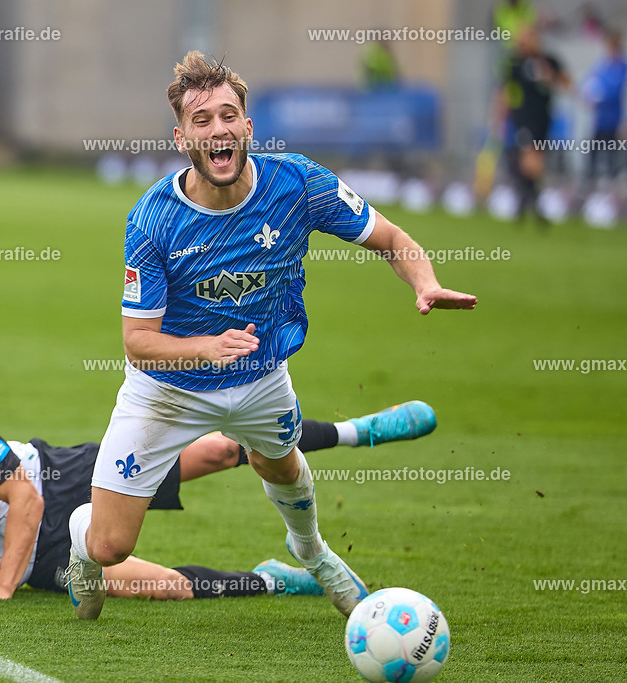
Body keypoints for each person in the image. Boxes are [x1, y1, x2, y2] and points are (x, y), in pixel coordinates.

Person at [64, 51, 476, 621]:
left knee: (279, 465)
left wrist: (425, 282)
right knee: (112, 547)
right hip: (166, 388)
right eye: (202, 121)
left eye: (228, 116)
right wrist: (202, 349)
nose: (218, 130)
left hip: (261, 377)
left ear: (248, 128)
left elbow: (390, 237)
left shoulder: (297, 184)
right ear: (182, 136)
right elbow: (138, 340)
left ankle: (312, 552)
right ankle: (81, 535)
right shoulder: (153, 218)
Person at [0, 388, 436, 603]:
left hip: (51, 479)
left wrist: (1, 589)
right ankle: (274, 579)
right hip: (39, 558)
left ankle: (358, 432)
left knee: (221, 450)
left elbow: (24, 499)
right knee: (164, 586)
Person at [496, 26, 569, 222]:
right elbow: (505, 91)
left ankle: (526, 198)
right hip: (523, 117)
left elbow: (565, 83)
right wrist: (499, 117)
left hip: (543, 117)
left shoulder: (548, 61)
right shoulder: (516, 63)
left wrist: (549, 76)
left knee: (536, 159)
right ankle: (532, 203)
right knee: (529, 158)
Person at [581, 29, 626, 183]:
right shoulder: (602, 65)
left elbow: (614, 90)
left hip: (615, 119)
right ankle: (590, 182)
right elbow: (588, 84)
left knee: (613, 154)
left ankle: (612, 184)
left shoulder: (622, 67)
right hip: (600, 119)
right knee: (593, 151)